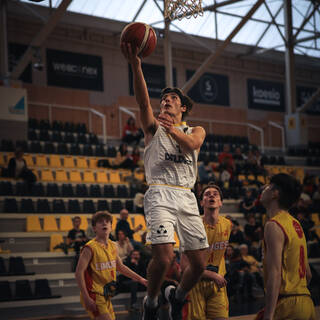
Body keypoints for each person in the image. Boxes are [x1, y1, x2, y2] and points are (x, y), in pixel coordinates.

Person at [121, 42, 208, 320]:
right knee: (164, 258)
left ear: (183, 107)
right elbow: (143, 100)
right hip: (159, 192)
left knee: (198, 264)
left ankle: (177, 296)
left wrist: (172, 130)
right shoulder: (153, 127)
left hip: (186, 195)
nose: (166, 101)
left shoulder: (196, 129)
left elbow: (193, 144)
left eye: (172, 98)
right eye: (164, 98)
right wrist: (136, 64)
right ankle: (151, 300)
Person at [254, 173, 316, 320]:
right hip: (306, 302)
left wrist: (269, 315)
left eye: (267, 187)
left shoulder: (273, 225)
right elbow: (308, 274)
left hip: (287, 305)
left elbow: (275, 273)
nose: (263, 189)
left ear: (275, 194)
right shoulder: (296, 224)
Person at [75, 211, 147, 320]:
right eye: (100, 222)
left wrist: (141, 279)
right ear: (94, 228)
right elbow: (78, 273)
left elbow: (121, 267)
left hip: (106, 294)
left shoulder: (113, 246)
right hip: (93, 293)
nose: (104, 223)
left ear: (111, 226)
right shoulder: (89, 248)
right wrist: (86, 297)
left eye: (107, 221)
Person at [181, 184, 232, 320]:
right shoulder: (192, 226)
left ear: (220, 202)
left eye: (215, 193)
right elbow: (185, 266)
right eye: (207, 194)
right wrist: (211, 274)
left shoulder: (228, 225)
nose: (211, 195)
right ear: (201, 202)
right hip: (195, 284)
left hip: (218, 285)